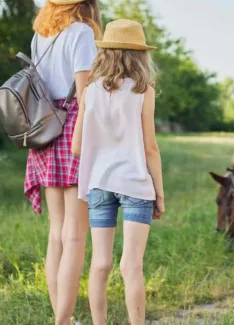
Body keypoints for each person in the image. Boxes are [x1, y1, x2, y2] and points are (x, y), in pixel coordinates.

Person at [23, 0, 103, 325]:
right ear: (87, 0)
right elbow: (85, 96)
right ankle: (62, 321)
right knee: (75, 237)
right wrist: (87, 143)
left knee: (57, 233)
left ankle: (63, 318)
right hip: (72, 129)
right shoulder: (82, 34)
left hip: (42, 131)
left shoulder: (40, 35)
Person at [72, 19, 165, 325]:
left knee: (100, 264)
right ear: (140, 56)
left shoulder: (90, 91)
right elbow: (150, 148)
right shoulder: (143, 91)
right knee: (131, 266)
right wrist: (159, 194)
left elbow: (76, 147)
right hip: (136, 184)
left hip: (99, 184)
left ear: (105, 52)